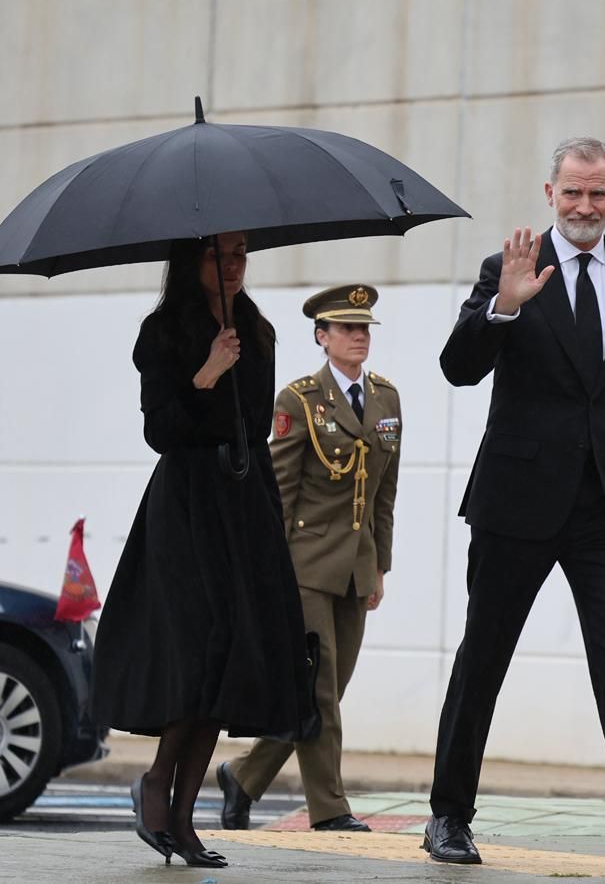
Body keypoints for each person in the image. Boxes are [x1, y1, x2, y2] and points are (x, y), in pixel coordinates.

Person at [424, 137, 605, 879]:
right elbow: (457, 368)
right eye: (571, 194)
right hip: (516, 501)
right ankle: (448, 815)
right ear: (548, 193)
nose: (584, 207)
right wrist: (502, 308)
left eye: (597, 194)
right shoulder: (509, 268)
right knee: (483, 659)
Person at [91, 232, 316, 869]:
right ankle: (157, 782)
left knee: (228, 657)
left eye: (242, 252)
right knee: (197, 648)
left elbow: (257, 426)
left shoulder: (257, 328)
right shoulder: (163, 331)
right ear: (193, 262)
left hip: (245, 499)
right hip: (187, 504)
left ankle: (183, 819)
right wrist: (207, 374)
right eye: (220, 254)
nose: (234, 264)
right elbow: (160, 431)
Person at [218, 284, 401, 833]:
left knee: (322, 691)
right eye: (346, 329)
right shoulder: (298, 400)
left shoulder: (388, 398)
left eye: (364, 328)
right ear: (322, 337)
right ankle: (330, 808)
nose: (358, 337)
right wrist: (269, 572)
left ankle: (243, 777)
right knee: (320, 690)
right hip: (304, 568)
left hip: (355, 568)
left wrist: (380, 567)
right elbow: (278, 491)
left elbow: (384, 495)